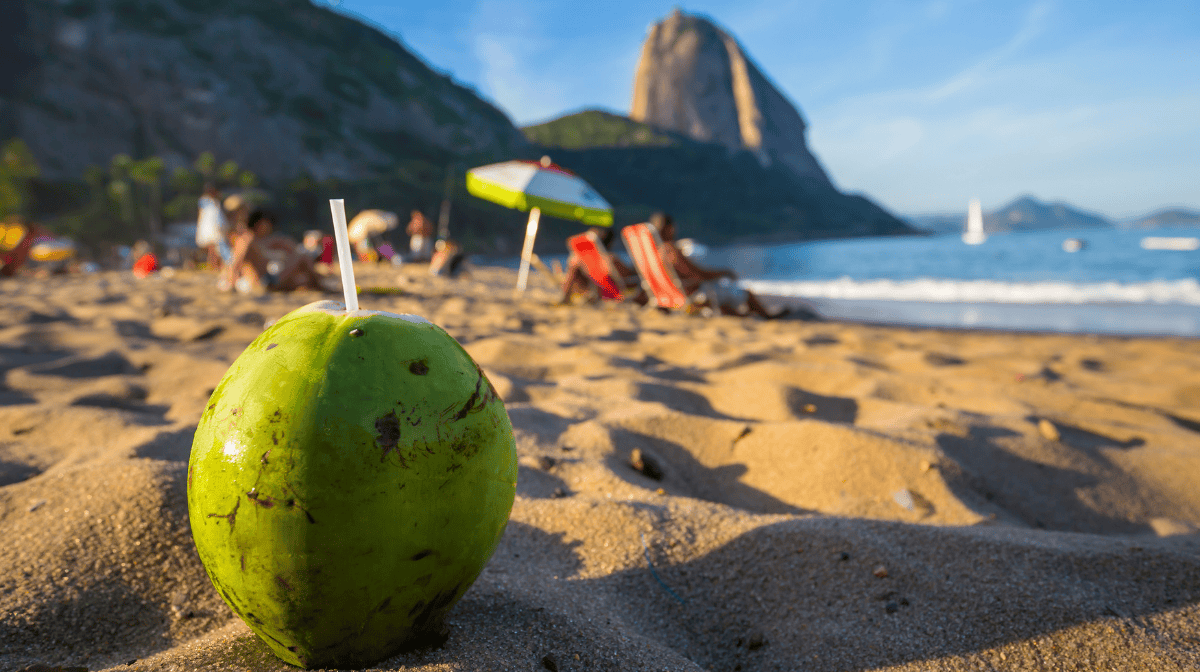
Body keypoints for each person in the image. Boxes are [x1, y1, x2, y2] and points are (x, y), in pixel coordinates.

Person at [650, 212, 783, 319]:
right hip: (693, 294)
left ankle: (743, 316)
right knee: (745, 293)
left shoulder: (654, 253)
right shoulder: (670, 251)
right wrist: (724, 272)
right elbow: (699, 275)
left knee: (722, 299)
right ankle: (767, 316)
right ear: (670, 228)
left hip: (673, 295)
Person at [220, 210, 334, 293]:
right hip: (264, 283)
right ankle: (321, 287)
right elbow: (235, 262)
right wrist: (230, 284)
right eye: (268, 224)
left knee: (303, 281)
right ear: (260, 223)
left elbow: (236, 262)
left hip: (266, 280)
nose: (269, 227)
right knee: (302, 257)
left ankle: (320, 283)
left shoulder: (256, 241)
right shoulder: (247, 239)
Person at [559, 227, 644, 305]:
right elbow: (627, 278)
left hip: (597, 288)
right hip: (614, 290)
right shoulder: (611, 259)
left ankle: (565, 298)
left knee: (575, 267)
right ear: (610, 242)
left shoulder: (587, 260)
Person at [196, 185, 230, 270]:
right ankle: (215, 266)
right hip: (212, 229)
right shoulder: (207, 202)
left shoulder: (210, 202)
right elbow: (213, 216)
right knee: (214, 249)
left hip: (212, 228)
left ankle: (216, 266)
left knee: (214, 249)